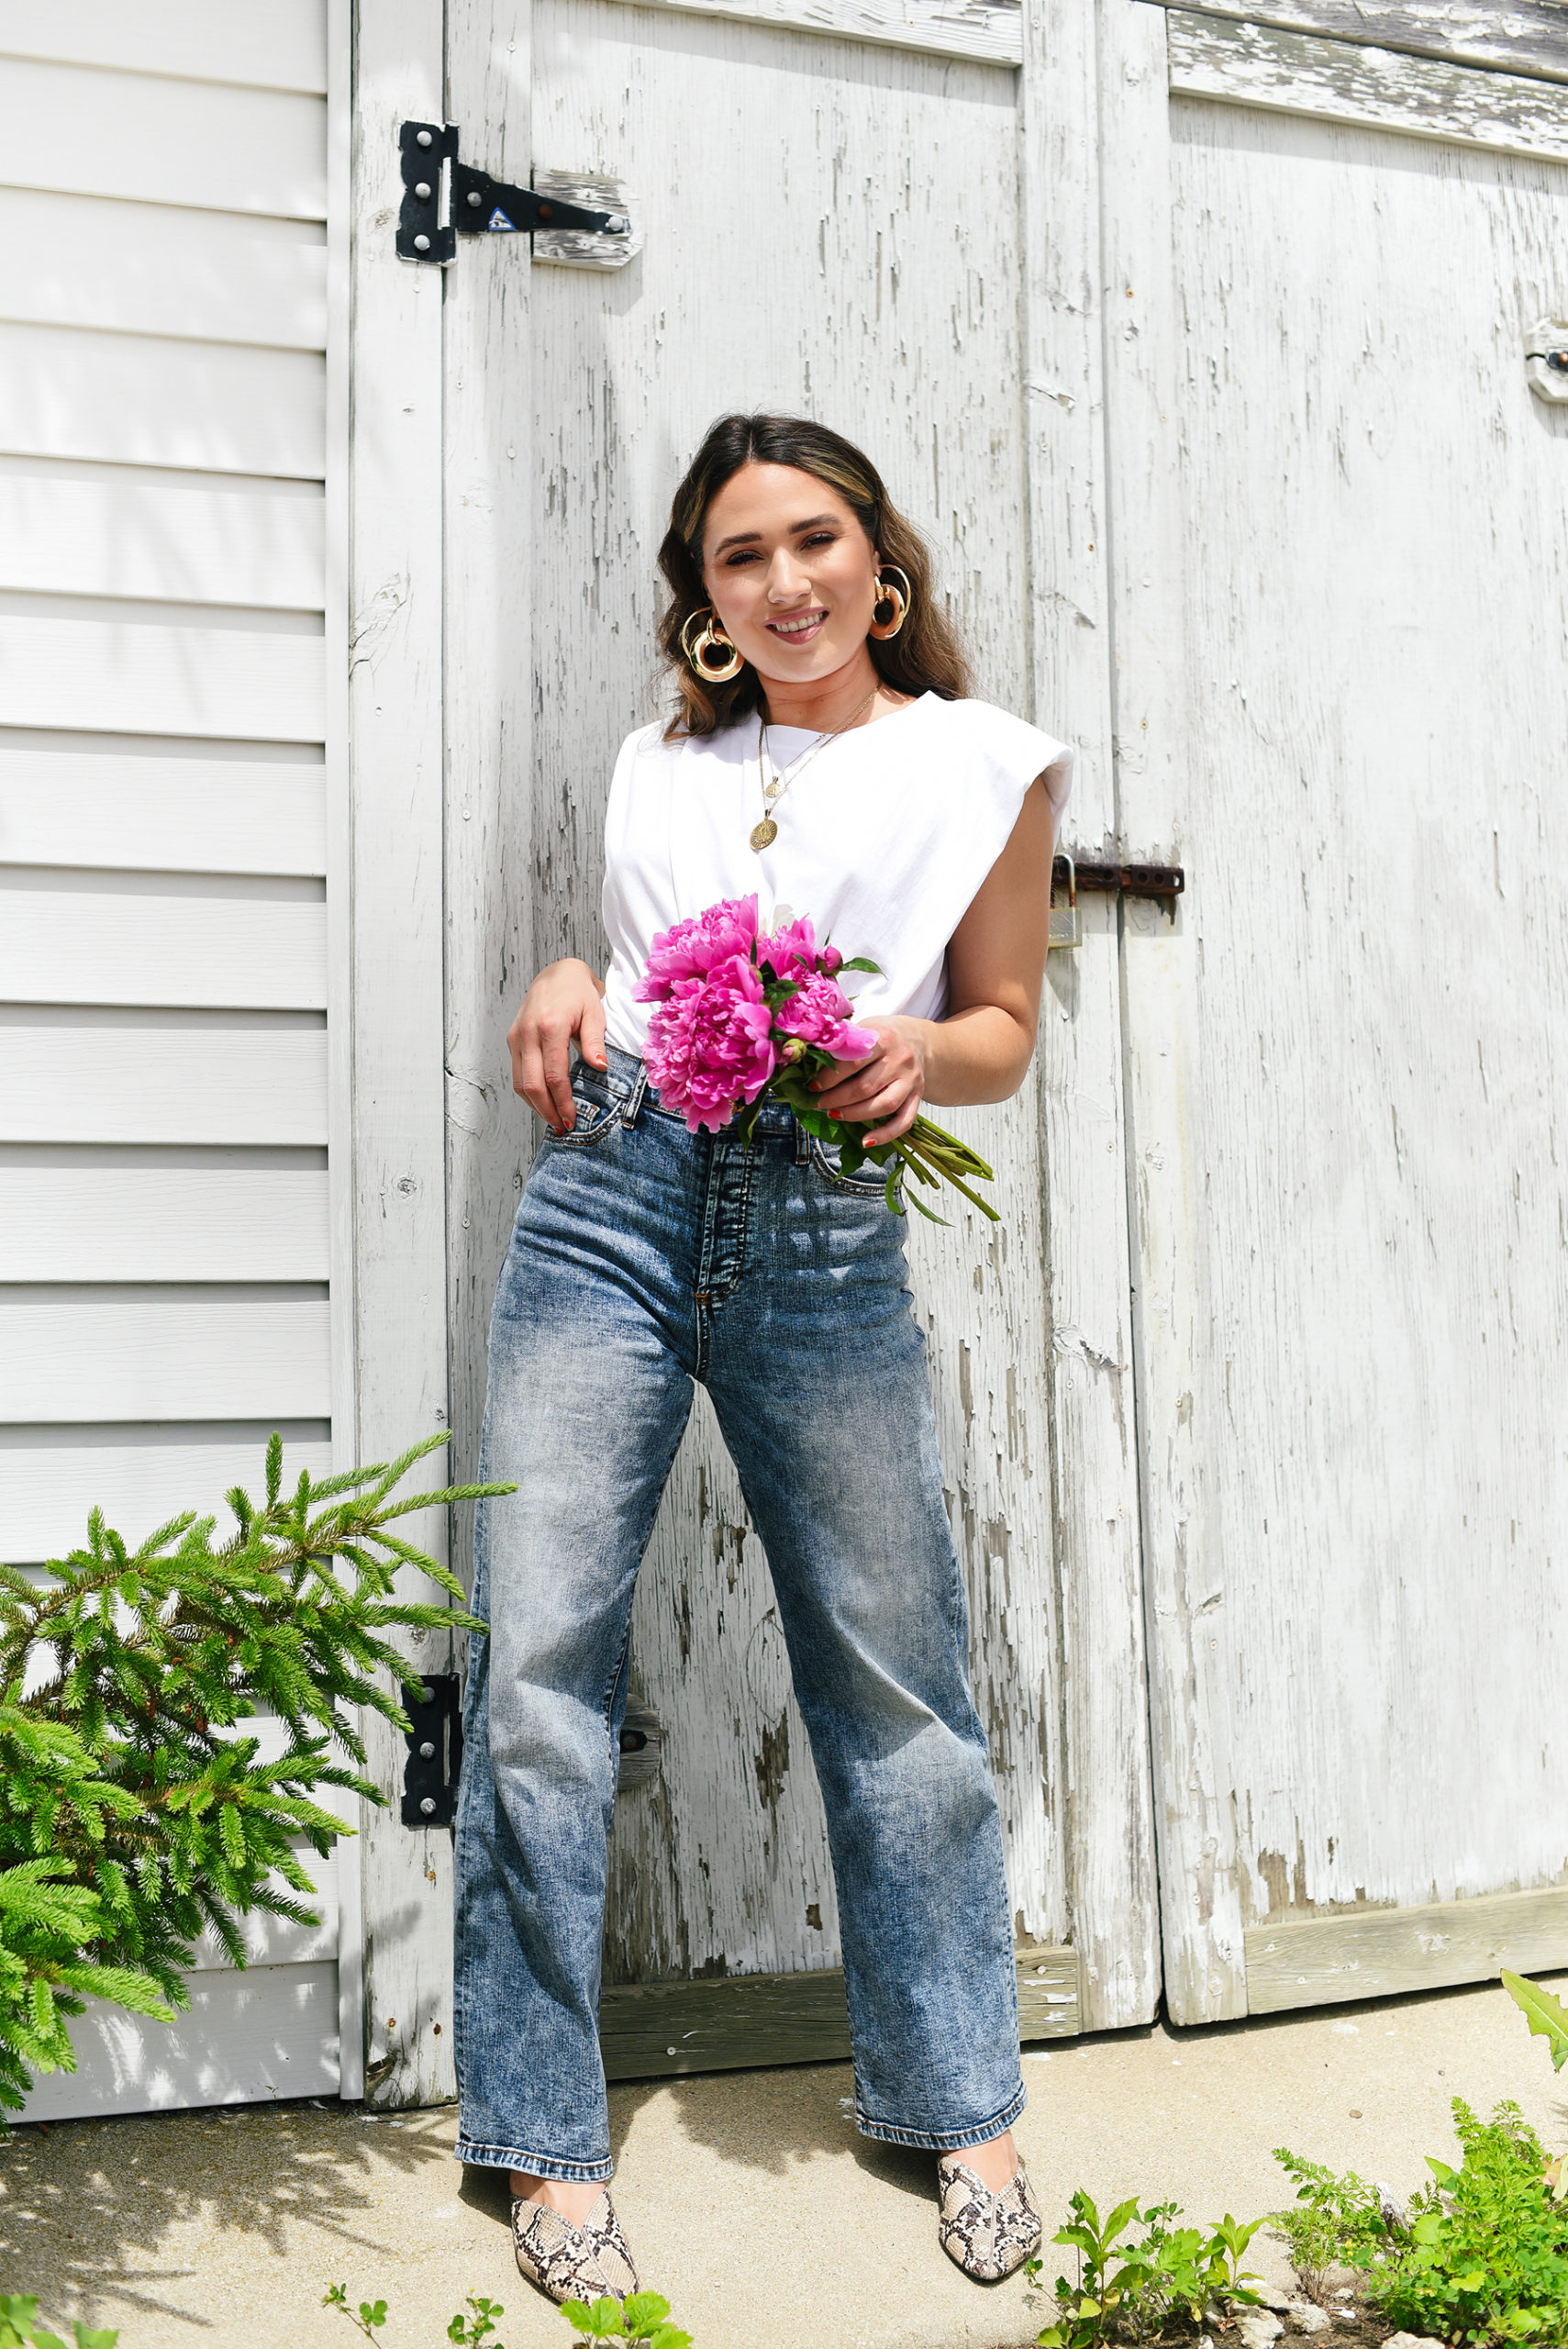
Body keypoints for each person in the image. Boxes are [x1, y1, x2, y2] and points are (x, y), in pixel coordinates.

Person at [453, 412, 1073, 2306]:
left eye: (816, 541)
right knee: (540, 1671)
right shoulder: (661, 756)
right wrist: (568, 978)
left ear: (879, 564)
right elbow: (625, 974)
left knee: (896, 1683)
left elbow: (1001, 1025)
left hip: (820, 1221)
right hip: (611, 1203)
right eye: (741, 556)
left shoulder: (983, 761)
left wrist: (911, 1059)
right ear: (702, 599)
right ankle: (544, 2136)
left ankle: (961, 2099)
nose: (785, 581)